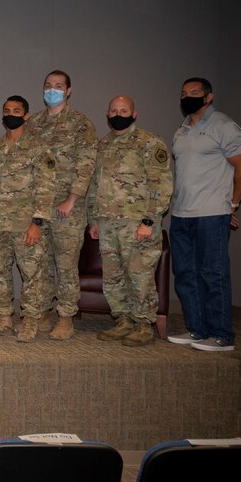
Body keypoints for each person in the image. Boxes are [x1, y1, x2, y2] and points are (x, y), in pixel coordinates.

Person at [168, 77, 241, 351]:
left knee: (213, 274)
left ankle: (222, 335)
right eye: (184, 93)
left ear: (208, 97)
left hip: (211, 214)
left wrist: (232, 205)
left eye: (194, 93)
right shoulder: (182, 130)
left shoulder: (224, 126)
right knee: (185, 274)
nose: (188, 97)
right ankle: (197, 329)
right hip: (181, 214)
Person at [87, 95, 173, 347]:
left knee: (139, 274)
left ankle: (143, 324)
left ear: (134, 114)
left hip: (138, 224)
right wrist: (94, 220)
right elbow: (95, 187)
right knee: (113, 276)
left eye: (123, 110)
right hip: (108, 224)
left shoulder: (149, 142)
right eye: (113, 110)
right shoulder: (102, 146)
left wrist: (150, 220)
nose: (118, 114)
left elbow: (161, 184)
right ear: (107, 113)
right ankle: (123, 320)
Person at [0, 96, 56, 343]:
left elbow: (46, 187)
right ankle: (2, 317)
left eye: (17, 110)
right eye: (7, 110)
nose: (11, 114)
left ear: (26, 115)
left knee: (33, 274)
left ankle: (30, 320)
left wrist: (37, 222)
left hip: (25, 225)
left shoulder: (39, 148)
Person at [27, 70, 97, 340]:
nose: (52, 89)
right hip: (38, 208)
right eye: (48, 85)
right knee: (39, 262)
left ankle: (66, 316)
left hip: (67, 207)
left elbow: (87, 164)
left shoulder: (81, 124)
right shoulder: (33, 124)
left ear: (68, 91)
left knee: (66, 264)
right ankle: (43, 311)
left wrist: (72, 199)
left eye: (58, 86)